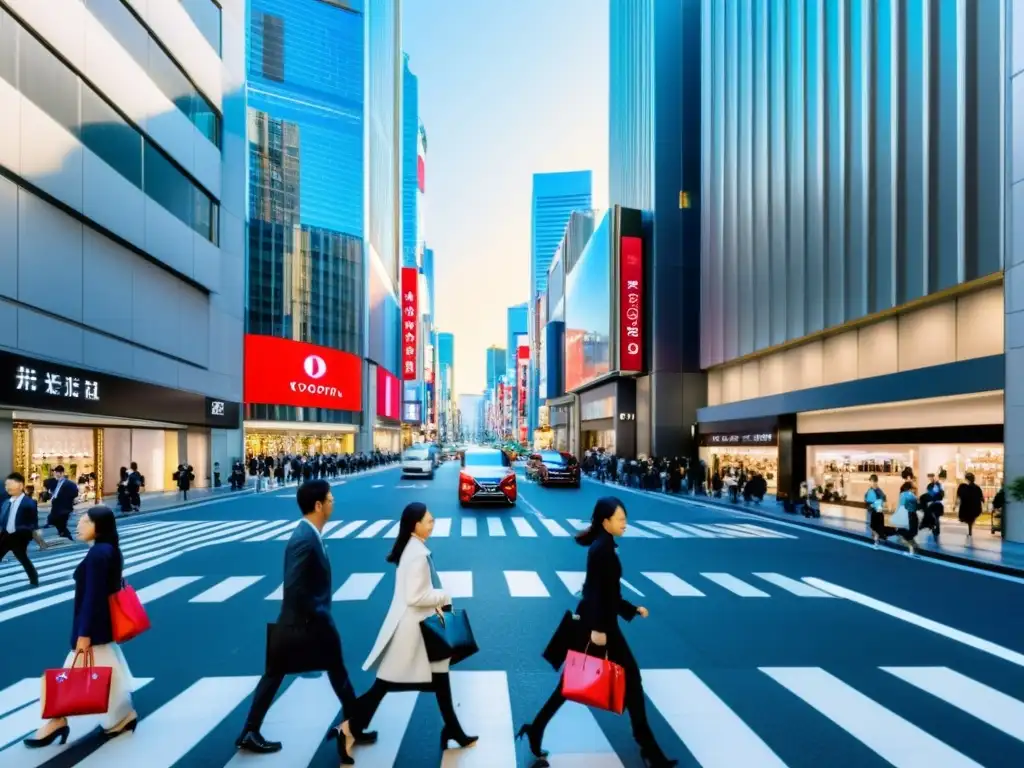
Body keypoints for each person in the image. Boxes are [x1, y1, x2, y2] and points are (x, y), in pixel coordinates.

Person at [518, 497, 677, 767]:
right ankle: (648, 748)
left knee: (572, 684)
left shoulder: (603, 546)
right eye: (621, 519)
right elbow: (597, 594)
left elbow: (604, 591)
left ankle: (536, 729)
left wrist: (630, 608)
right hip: (599, 625)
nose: (625, 524)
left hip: (599, 621)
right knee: (617, 680)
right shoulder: (602, 550)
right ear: (606, 522)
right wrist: (598, 630)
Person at [234, 480, 376, 762]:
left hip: (305, 621)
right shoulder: (303, 538)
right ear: (318, 505)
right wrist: (319, 617)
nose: (334, 502)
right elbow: (295, 586)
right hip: (302, 624)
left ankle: (354, 726)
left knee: (334, 672)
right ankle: (250, 731)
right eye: (331, 498)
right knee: (277, 675)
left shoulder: (311, 534)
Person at [354, 502, 478, 752]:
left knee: (438, 680)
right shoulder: (417, 555)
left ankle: (453, 728)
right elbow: (415, 597)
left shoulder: (412, 549)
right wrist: (444, 596)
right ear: (416, 525)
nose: (433, 523)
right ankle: (350, 724)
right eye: (429, 520)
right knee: (386, 684)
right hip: (415, 631)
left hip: (419, 629)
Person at [24, 506, 137, 747]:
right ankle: (122, 715)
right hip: (103, 626)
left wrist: (84, 633)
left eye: (85, 522)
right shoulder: (110, 550)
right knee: (109, 674)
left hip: (93, 628)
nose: (78, 525)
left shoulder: (98, 554)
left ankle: (57, 720)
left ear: (98, 527)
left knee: (69, 673)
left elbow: (93, 596)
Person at [0, 472, 40, 587]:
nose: (7, 487)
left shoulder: (29, 502)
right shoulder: (6, 502)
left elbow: (33, 522)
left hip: (19, 536)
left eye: (11, 484)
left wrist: (29, 535)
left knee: (22, 558)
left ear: (21, 486)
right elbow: (3, 517)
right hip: (5, 534)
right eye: (6, 485)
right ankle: (34, 577)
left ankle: (34, 578)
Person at [47, 465, 78, 541]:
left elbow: (75, 493)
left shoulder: (69, 484)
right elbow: (56, 492)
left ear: (61, 473)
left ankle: (67, 536)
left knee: (60, 524)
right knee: (57, 523)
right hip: (57, 508)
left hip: (64, 508)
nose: (56, 475)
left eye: (57, 473)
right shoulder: (57, 483)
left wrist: (67, 499)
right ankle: (65, 535)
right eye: (55, 473)